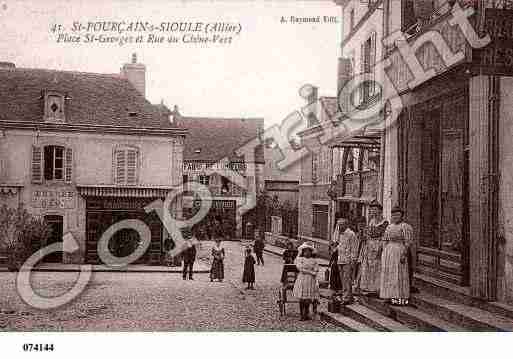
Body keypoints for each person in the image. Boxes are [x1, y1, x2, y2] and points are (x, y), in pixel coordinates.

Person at [379, 205, 410, 305]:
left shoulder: (405, 227)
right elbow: (385, 239)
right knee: (389, 273)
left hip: (399, 251)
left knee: (398, 273)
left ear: (402, 216)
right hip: (389, 252)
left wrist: (404, 254)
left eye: (398, 215)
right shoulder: (389, 227)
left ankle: (398, 297)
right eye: (394, 215)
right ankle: (388, 295)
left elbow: (408, 242)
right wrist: (384, 251)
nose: (395, 217)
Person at [359, 200, 388, 296]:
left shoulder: (385, 223)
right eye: (372, 210)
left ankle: (377, 288)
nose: (373, 212)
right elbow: (368, 233)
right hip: (369, 246)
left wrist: (380, 247)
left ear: (380, 211)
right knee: (368, 266)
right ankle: (369, 287)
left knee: (377, 266)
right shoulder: (371, 221)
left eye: (375, 210)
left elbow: (384, 236)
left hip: (378, 245)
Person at [333, 218, 360, 304]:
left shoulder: (351, 234)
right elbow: (339, 245)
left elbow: (354, 248)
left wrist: (353, 260)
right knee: (342, 279)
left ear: (346, 225)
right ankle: (348, 296)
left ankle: (346, 298)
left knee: (347, 279)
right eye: (338, 225)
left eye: (341, 225)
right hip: (340, 259)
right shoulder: (340, 234)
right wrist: (335, 248)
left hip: (348, 260)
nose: (340, 226)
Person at [292, 242, 320, 321]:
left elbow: (316, 268)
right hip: (302, 279)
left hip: (310, 280)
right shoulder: (300, 259)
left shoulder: (314, 260)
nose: (307, 253)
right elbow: (300, 268)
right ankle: (302, 314)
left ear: (311, 252)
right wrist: (311, 272)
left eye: (309, 251)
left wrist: (314, 271)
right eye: (305, 251)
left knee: (308, 298)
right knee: (302, 298)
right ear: (303, 252)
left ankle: (306, 313)